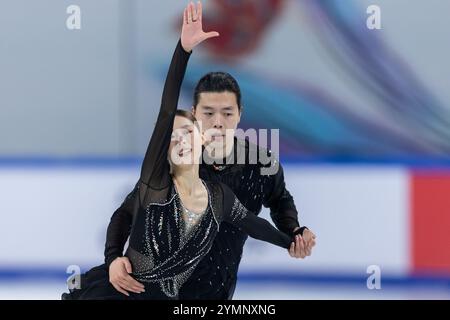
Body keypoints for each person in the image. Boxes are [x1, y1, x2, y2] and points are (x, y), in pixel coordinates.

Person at [62, 1, 301, 300]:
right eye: (207, 115)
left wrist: (294, 236)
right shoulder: (158, 176)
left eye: (226, 113)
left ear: (240, 113)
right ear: (195, 114)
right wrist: (113, 260)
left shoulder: (239, 180)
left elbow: (265, 219)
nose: (217, 124)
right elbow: (125, 212)